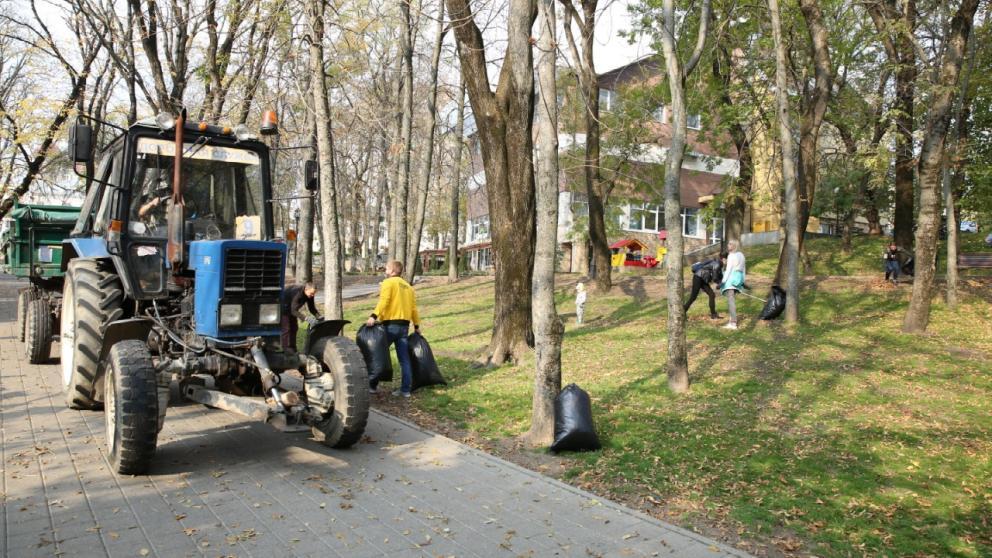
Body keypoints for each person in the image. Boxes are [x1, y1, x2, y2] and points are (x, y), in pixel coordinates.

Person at [365, 260, 421, 397]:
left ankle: (372, 385)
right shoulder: (409, 287)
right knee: (404, 360)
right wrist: (417, 326)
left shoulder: (388, 283)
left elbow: (384, 301)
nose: (385, 270)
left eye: (387, 268)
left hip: (390, 326)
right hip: (404, 327)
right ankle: (405, 390)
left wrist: (373, 316)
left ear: (393, 271)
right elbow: (414, 309)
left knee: (378, 354)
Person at [281, 282, 321, 351]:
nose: (312, 295)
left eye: (314, 293)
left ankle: (293, 348)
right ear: (306, 290)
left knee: (294, 328)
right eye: (311, 293)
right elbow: (293, 311)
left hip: (293, 309)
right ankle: (286, 349)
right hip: (284, 307)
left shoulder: (310, 295)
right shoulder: (298, 294)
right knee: (287, 329)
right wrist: (306, 318)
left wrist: (319, 316)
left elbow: (312, 308)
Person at [684, 253, 725, 319]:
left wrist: (722, 282)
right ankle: (683, 311)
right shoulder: (717, 264)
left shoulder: (718, 264)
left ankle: (713, 314)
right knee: (693, 297)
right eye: (726, 259)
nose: (727, 261)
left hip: (703, 279)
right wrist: (719, 283)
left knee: (712, 294)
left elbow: (720, 276)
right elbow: (715, 278)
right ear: (723, 259)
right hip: (698, 277)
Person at [719, 240, 746, 330]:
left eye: (730, 244)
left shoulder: (731, 256)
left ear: (734, 246)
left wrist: (723, 282)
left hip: (730, 280)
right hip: (738, 280)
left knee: (731, 302)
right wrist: (743, 281)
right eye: (728, 243)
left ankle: (733, 323)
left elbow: (728, 270)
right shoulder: (741, 255)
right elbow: (743, 269)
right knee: (732, 301)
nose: (728, 245)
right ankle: (731, 321)